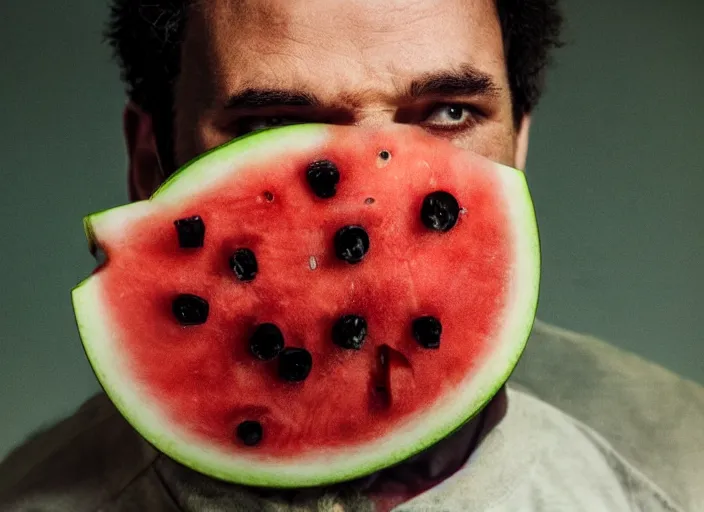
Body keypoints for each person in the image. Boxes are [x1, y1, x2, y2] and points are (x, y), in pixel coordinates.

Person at [1, 0, 703, 510]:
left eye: (448, 113)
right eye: (274, 125)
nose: (373, 201)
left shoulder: (683, 468)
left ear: (517, 143)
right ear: (152, 163)